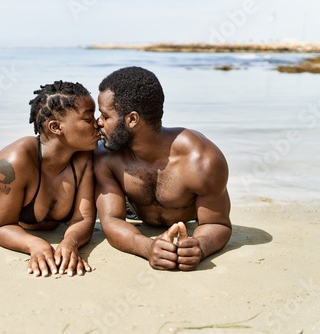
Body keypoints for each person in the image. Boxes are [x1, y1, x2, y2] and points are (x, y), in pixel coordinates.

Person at [94, 66, 232, 271]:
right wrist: (147, 247)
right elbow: (112, 220)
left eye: (105, 116)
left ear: (132, 119)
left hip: (187, 217)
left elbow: (218, 223)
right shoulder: (106, 157)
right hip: (134, 210)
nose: (98, 122)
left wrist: (200, 247)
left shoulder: (203, 161)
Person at [0, 80, 100, 277]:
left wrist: (69, 242)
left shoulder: (84, 158)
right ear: (56, 127)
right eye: (88, 118)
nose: (97, 122)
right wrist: (35, 244)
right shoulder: (15, 161)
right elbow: (0, 225)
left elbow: (83, 218)